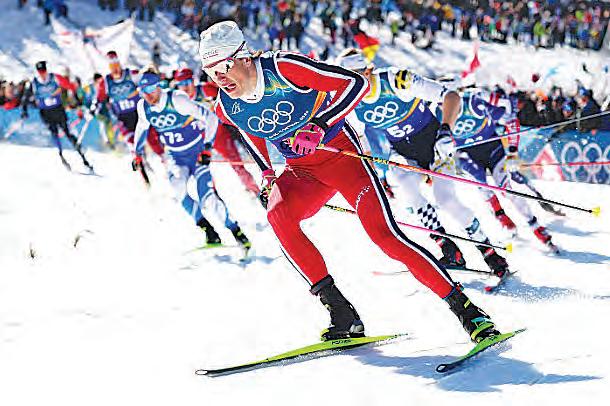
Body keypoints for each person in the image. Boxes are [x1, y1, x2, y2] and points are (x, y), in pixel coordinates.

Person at [199, 21, 502, 343]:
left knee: (386, 237)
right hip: (302, 171)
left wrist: (320, 125)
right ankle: (342, 314)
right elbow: (250, 132)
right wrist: (268, 175)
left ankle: (468, 311)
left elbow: (355, 84)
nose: (219, 78)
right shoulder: (226, 105)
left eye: (224, 66)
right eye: (210, 71)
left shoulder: (283, 68)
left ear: (244, 57)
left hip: (345, 160)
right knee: (278, 216)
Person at [336, 48, 511, 277]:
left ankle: (490, 254)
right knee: (406, 188)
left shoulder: (397, 80)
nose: (352, 85)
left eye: (356, 77)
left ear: (368, 70)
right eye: (346, 80)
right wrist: (377, 173)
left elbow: (451, 96)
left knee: (446, 200)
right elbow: (363, 139)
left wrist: (446, 131)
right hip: (405, 154)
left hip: (435, 146)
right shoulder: (349, 101)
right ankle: (448, 249)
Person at [133, 71, 251, 252]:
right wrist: (137, 154)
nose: (147, 95)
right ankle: (209, 231)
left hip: (196, 155)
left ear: (159, 86)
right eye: (143, 91)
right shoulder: (143, 107)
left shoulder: (177, 100)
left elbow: (210, 118)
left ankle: (237, 232)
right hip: (175, 157)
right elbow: (141, 128)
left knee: (207, 198)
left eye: (150, 89)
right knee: (178, 189)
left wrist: (207, 147)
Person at [451, 90, 558, 253]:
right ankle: (500, 215)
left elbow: (510, 120)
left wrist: (513, 152)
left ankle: (535, 225)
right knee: (481, 183)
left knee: (507, 189)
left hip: (493, 150)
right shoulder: (437, 111)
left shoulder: (474, 104)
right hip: (467, 156)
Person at [173, 67, 259, 195]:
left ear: (193, 80)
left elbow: (229, 97)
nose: (185, 87)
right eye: (181, 84)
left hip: (219, 134)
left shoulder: (205, 89)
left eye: (187, 82)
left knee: (236, 163)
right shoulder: (178, 101)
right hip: (199, 138)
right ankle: (212, 194)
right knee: (203, 168)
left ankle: (255, 190)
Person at [21, 61, 92, 171]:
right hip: (46, 113)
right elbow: (25, 97)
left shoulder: (54, 78)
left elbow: (70, 86)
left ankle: (82, 157)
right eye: (40, 71)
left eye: (44, 71)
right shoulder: (34, 83)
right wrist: (24, 110)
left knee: (67, 132)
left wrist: (78, 102)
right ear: (37, 72)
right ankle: (61, 155)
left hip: (58, 110)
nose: (42, 73)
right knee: (54, 132)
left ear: (46, 70)